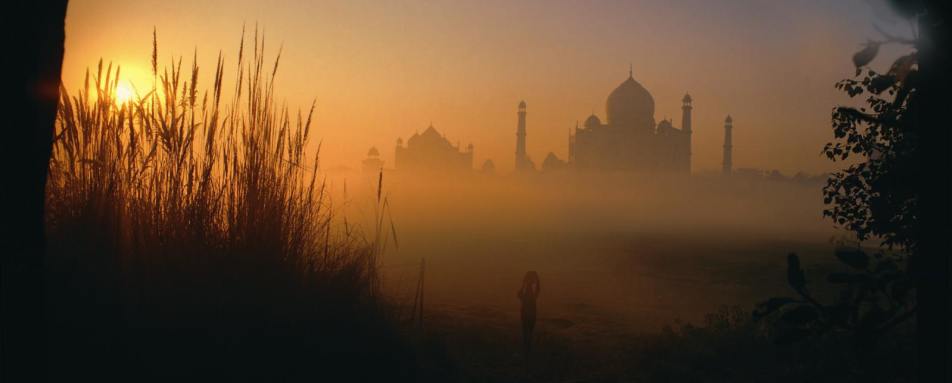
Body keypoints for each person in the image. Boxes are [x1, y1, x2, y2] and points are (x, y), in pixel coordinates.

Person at [517, 271, 540, 369]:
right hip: (531, 314)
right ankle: (528, 350)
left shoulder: (525, 295)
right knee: (529, 332)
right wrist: (538, 281)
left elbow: (518, 294)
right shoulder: (532, 296)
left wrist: (523, 284)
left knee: (525, 332)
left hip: (525, 314)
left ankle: (526, 350)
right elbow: (538, 291)